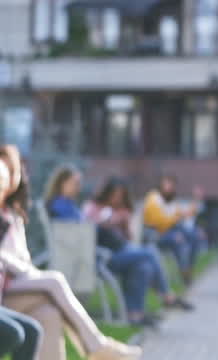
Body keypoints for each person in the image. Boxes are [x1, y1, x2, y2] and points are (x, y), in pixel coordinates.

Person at [0, 146, 143, 360]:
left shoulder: (12, 215)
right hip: (7, 289)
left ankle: (96, 347)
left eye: (12, 170)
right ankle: (96, 346)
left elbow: (22, 257)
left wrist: (26, 270)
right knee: (55, 281)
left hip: (18, 283)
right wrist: (26, 271)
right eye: (4, 172)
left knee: (49, 314)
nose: (9, 177)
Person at [70, 176, 195, 323]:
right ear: (107, 193)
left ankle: (135, 315)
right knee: (149, 253)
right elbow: (86, 229)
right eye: (115, 195)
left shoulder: (123, 210)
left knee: (143, 266)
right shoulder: (92, 206)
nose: (117, 199)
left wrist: (123, 225)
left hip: (120, 252)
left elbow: (128, 239)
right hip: (103, 257)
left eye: (121, 196)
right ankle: (167, 296)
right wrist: (108, 221)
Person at [140, 176, 202, 285]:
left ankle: (188, 269)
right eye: (167, 184)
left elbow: (185, 214)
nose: (169, 187)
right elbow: (158, 222)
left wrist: (196, 199)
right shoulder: (153, 198)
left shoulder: (172, 201)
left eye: (171, 185)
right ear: (161, 185)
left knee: (194, 236)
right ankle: (184, 273)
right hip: (156, 234)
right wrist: (175, 221)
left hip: (170, 231)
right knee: (178, 239)